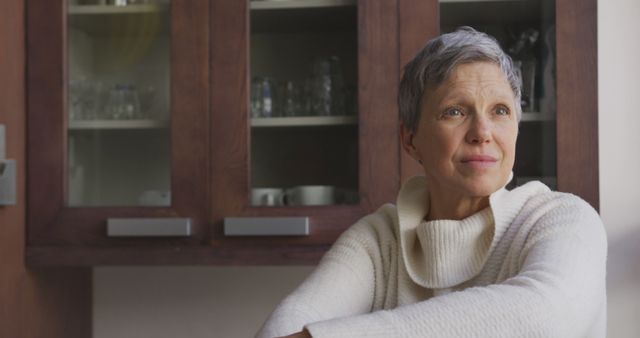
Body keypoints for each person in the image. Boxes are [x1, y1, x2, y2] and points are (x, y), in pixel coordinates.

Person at [256, 27, 607, 338]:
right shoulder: (380, 242)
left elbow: (543, 316)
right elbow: (284, 327)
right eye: (455, 111)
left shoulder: (564, 220)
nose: (483, 133)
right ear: (411, 140)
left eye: (500, 111)